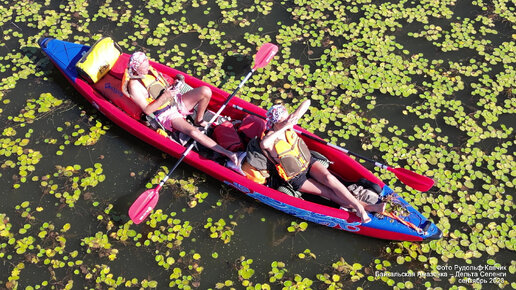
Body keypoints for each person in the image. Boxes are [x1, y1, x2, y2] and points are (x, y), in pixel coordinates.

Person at [260, 100, 385, 223]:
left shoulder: (288, 124)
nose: (288, 122)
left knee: (329, 178)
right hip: (296, 176)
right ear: (276, 123)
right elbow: (264, 144)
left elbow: (307, 102)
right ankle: (363, 208)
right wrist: (286, 126)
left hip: (308, 162)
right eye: (283, 120)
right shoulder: (270, 138)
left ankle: (363, 207)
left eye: (287, 118)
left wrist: (294, 116)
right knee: (329, 193)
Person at [123, 52, 240, 166]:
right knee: (193, 131)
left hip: (175, 101)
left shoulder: (150, 71)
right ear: (136, 69)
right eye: (144, 67)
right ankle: (228, 153)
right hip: (166, 113)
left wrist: (175, 87)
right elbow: (147, 110)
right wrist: (165, 96)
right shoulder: (134, 86)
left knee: (205, 91)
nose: (147, 68)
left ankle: (198, 120)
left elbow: (162, 87)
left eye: (147, 64)